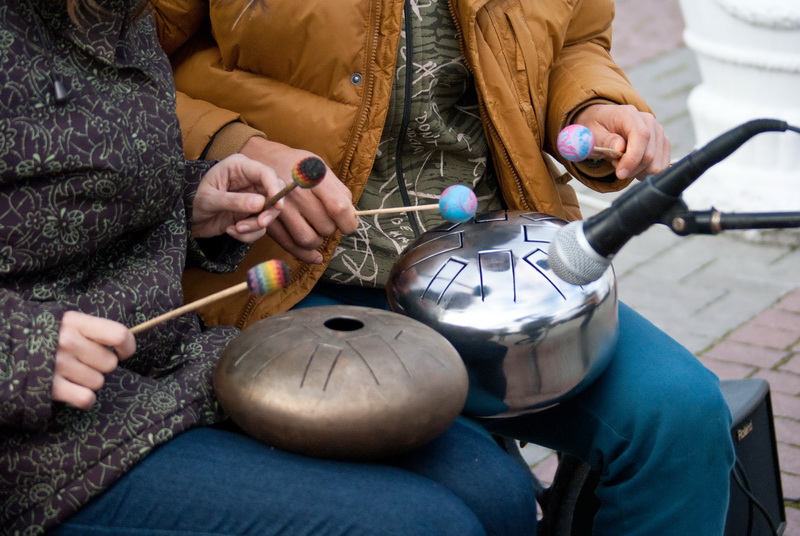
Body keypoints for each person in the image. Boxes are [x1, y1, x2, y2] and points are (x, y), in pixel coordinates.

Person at [153, 0, 737, 534]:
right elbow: (113, 75)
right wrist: (234, 146)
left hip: (493, 269)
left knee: (681, 418)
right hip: (301, 275)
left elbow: (574, 38)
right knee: (485, 498)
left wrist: (594, 106)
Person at [0, 1, 540, 535]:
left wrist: (189, 196)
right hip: (51, 442)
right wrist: (23, 345)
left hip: (170, 367)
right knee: (426, 526)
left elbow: (58, 193)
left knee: (496, 491)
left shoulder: (117, 14)